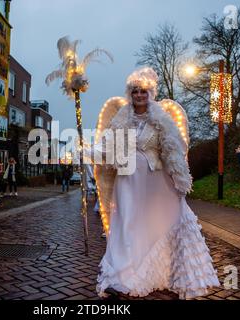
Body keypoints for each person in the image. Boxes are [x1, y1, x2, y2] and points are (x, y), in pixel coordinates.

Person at [94, 67, 219, 299]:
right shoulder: (121, 117)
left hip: (155, 181)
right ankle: (124, 276)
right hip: (127, 181)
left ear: (150, 93)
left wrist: (177, 174)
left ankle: (158, 273)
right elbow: (107, 145)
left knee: (155, 223)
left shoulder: (162, 118)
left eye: (143, 91)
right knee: (127, 223)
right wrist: (89, 151)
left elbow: (176, 148)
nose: (139, 95)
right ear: (130, 94)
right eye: (135, 91)